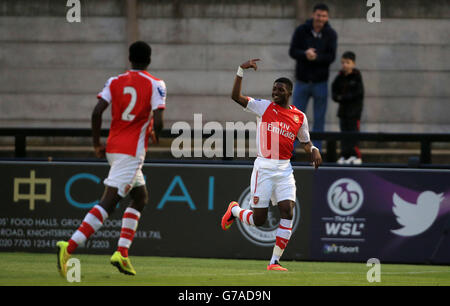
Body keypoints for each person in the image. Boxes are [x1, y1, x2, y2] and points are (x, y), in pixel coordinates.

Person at [56, 41, 166, 276]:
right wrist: (154, 130)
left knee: (140, 197)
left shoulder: (114, 81)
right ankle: (70, 246)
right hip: (131, 152)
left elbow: (97, 112)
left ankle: (122, 253)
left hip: (113, 147)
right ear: (149, 59)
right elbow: (158, 121)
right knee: (110, 201)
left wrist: (96, 143)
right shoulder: (155, 84)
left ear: (129, 58)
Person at [221, 59, 322, 271]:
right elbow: (235, 97)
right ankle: (236, 211)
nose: (275, 92)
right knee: (258, 220)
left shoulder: (299, 117)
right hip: (264, 168)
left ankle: (274, 262)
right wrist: (240, 70)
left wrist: (314, 150)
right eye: (274, 89)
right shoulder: (264, 107)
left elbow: (305, 142)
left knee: (288, 211)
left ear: (289, 93)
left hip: (285, 169)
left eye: (280, 89)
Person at [289, 3, 337, 151]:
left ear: (327, 17)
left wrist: (315, 57)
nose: (320, 18)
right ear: (313, 15)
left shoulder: (331, 34)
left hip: (320, 83)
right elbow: (292, 51)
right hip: (302, 82)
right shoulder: (301, 30)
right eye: (318, 15)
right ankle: (292, 148)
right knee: (295, 118)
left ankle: (317, 149)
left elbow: (331, 56)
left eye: (323, 16)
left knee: (319, 119)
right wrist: (305, 54)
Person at [331, 51, 364, 165]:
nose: (345, 65)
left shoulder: (357, 77)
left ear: (353, 63)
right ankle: (344, 155)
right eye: (343, 62)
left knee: (353, 135)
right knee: (344, 135)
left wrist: (343, 97)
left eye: (347, 62)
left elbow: (357, 94)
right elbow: (334, 92)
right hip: (343, 112)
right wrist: (340, 97)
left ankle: (355, 155)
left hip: (354, 113)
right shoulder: (340, 77)